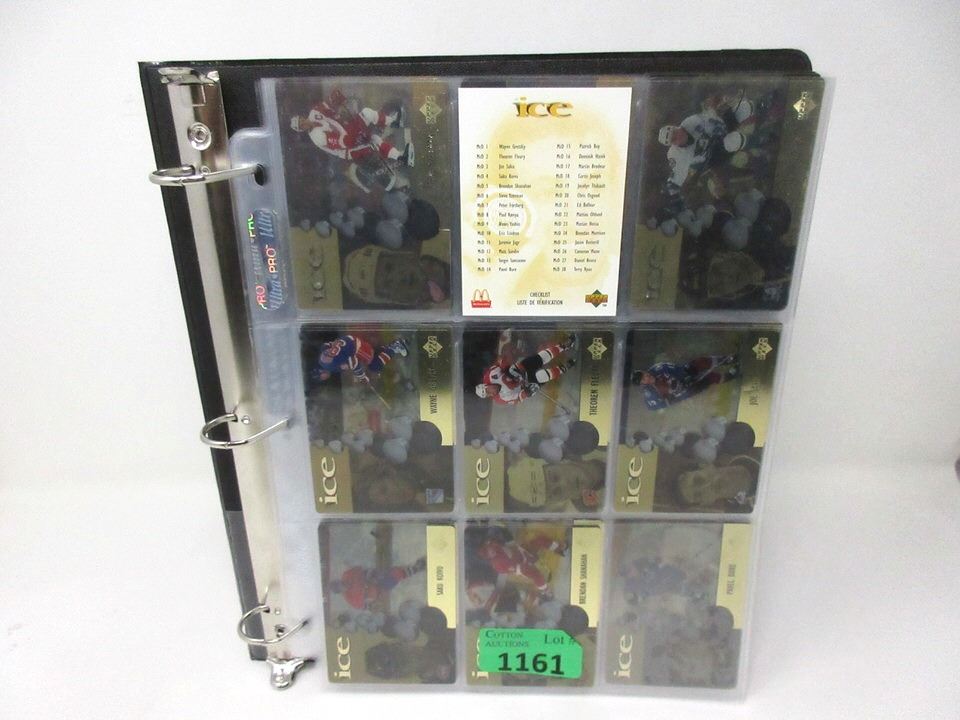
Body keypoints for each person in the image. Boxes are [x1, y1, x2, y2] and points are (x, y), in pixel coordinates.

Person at [290, 88, 411, 166]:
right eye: (301, 126)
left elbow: (329, 102)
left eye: (301, 120)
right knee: (374, 142)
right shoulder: (317, 137)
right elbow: (344, 142)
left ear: (302, 117)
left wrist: (338, 99)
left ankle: (395, 122)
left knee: (367, 114)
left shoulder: (314, 113)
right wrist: (357, 129)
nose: (304, 123)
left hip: (348, 131)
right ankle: (402, 157)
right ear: (301, 130)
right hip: (348, 149)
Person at [475, 334, 576, 405]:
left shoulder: (490, 375)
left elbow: (501, 362)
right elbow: (518, 398)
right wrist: (527, 393)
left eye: (488, 391)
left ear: (486, 385)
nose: (491, 394)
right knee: (541, 376)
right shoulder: (501, 399)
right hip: (527, 383)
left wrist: (507, 367)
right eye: (488, 395)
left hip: (521, 369)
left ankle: (564, 346)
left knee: (540, 357)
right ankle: (564, 368)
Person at [631, 354, 738, 409]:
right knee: (710, 378)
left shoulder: (658, 368)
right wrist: (672, 399)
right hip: (684, 390)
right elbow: (658, 405)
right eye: (643, 379)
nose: (646, 376)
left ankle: (727, 359)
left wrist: (685, 376)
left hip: (684, 376)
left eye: (644, 374)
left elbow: (678, 370)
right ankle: (730, 375)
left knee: (700, 362)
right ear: (642, 384)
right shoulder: (650, 393)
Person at [329, 557, 427, 611]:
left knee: (396, 572)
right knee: (396, 576)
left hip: (375, 576)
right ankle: (416, 569)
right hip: (378, 590)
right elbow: (364, 606)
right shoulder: (350, 598)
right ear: (340, 591)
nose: (343, 585)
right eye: (340, 588)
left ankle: (415, 568)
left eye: (340, 583)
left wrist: (370, 576)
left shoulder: (347, 575)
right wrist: (374, 605)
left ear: (339, 580)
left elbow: (361, 570)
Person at [311, 334, 407, 384]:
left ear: (321, 372)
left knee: (374, 366)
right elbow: (328, 344)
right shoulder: (322, 353)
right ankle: (389, 347)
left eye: (321, 378)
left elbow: (354, 362)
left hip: (356, 346)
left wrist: (362, 377)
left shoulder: (332, 366)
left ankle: (395, 347)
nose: (324, 379)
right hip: (349, 340)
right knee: (369, 356)